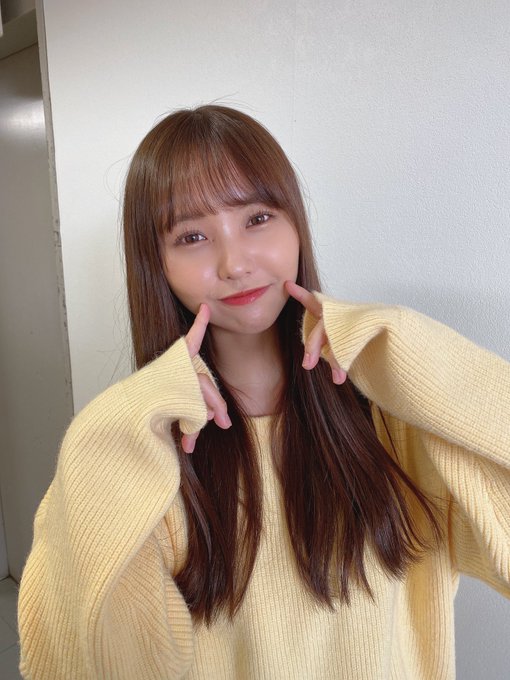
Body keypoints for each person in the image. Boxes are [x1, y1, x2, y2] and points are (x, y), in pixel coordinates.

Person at [18, 105, 510, 680]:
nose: (234, 263)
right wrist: (111, 433)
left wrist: (412, 351)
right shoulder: (141, 447)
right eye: (192, 236)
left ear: (296, 224)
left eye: (257, 218)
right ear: (158, 263)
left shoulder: (395, 418)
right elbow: (92, 658)